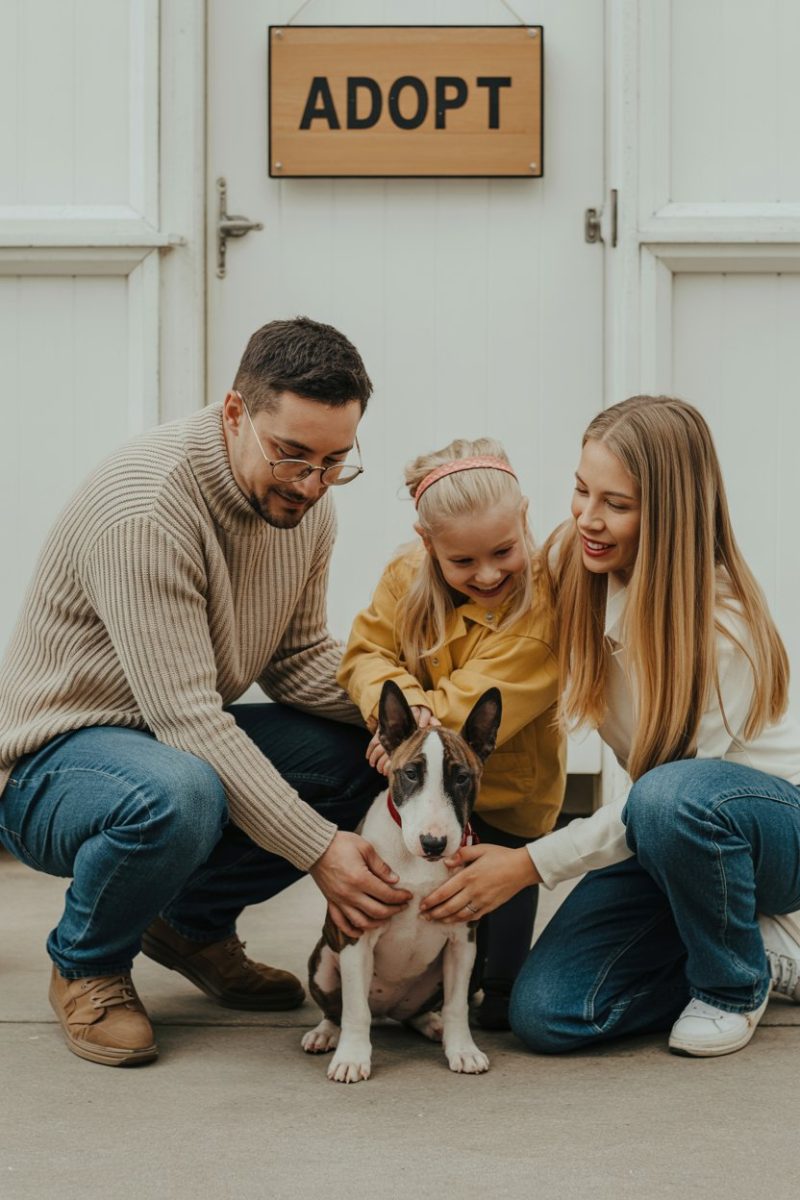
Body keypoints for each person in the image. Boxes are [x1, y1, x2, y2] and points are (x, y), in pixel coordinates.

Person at [0, 316, 411, 1067]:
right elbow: (188, 720)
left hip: (165, 742)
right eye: (291, 455)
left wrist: (406, 713)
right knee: (181, 791)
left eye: (333, 461)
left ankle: (192, 924)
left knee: (362, 752)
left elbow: (294, 659)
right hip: (50, 762)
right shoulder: (147, 510)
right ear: (234, 413)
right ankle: (86, 963)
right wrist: (320, 849)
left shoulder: (306, 504)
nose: (311, 484)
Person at [419, 395, 800, 1058]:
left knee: (669, 794)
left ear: (671, 513)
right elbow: (468, 582)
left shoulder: (721, 630)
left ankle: (735, 982)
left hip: (770, 836)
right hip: (667, 842)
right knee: (549, 1012)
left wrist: (528, 865)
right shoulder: (579, 563)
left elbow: (664, 801)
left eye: (615, 504)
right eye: (579, 490)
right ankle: (758, 946)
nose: (587, 519)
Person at [337, 437, 565, 1029]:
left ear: (524, 522)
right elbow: (366, 655)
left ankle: (496, 975)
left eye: (503, 551)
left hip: (503, 814)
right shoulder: (404, 575)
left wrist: (411, 728)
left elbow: (470, 710)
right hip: (419, 789)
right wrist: (402, 707)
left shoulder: (544, 606)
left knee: (499, 1002)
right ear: (427, 543)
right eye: (462, 562)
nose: (487, 573)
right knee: (409, 919)